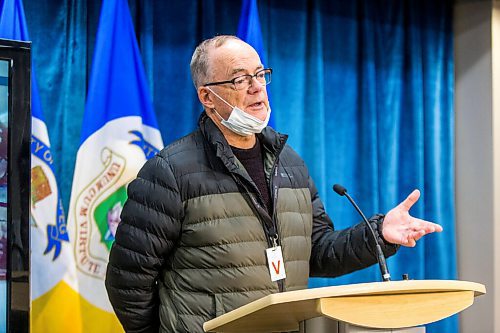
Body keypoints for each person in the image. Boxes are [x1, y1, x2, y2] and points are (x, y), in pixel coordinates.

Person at [105, 35, 442, 333]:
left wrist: (378, 233)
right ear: (207, 97)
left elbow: (318, 252)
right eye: (240, 79)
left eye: (260, 75)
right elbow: (127, 280)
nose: (257, 87)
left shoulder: (290, 163)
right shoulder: (169, 172)